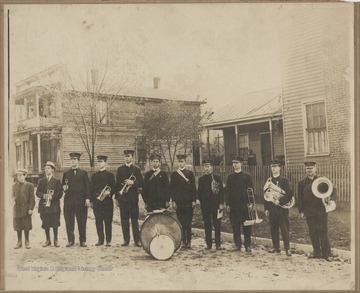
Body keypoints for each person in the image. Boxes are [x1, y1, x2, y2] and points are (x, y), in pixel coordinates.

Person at [298, 161, 336, 261]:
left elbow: (333, 189)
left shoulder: (322, 180)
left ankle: (326, 254)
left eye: (311, 168)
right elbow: (300, 198)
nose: (309, 170)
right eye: (307, 168)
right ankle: (317, 252)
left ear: (315, 168)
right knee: (313, 232)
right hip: (309, 210)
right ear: (305, 170)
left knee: (323, 231)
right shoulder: (301, 183)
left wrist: (330, 198)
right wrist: (301, 210)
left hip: (321, 210)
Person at [264, 159, 293, 256]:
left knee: (284, 228)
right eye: (272, 167)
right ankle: (276, 247)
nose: (273, 169)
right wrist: (266, 208)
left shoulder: (284, 180)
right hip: (272, 208)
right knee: (273, 228)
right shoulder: (269, 180)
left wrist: (279, 201)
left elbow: (289, 194)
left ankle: (287, 248)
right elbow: (266, 194)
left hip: (282, 208)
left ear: (279, 168)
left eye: (275, 167)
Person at [62, 152, 91, 247]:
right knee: (69, 221)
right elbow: (64, 186)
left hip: (81, 201)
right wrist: (64, 188)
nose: (72, 161)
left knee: (82, 221)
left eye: (74, 159)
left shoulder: (84, 173)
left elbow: (87, 187)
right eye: (71, 159)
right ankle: (71, 240)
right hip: (69, 201)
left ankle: (82, 240)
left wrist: (87, 199)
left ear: (78, 161)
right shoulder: (66, 174)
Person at [115, 149, 143, 247]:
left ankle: (137, 240)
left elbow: (141, 183)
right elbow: (117, 184)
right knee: (124, 220)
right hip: (123, 199)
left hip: (133, 199)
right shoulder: (120, 169)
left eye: (129, 156)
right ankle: (126, 240)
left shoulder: (136, 170)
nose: (127, 158)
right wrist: (117, 198)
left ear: (132, 157)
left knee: (134, 220)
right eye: (126, 156)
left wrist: (132, 183)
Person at [225, 156, 253, 252]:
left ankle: (247, 245)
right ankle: (237, 244)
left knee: (247, 226)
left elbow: (251, 191)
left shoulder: (247, 176)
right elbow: (227, 191)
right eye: (234, 163)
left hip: (245, 206)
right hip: (234, 206)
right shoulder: (230, 177)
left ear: (241, 164)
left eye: (237, 163)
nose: (235, 165)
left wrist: (251, 204)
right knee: (235, 226)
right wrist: (227, 204)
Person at [170, 154, 197, 249]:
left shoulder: (190, 174)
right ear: (178, 162)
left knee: (188, 223)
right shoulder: (174, 175)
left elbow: (193, 188)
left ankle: (188, 241)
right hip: (179, 203)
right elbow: (172, 189)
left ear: (185, 162)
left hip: (188, 203)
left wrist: (194, 200)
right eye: (179, 161)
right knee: (181, 223)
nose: (181, 163)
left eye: (182, 161)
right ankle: (183, 241)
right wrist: (173, 201)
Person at [198, 159, 224, 250]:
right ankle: (208, 244)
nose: (207, 168)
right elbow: (200, 193)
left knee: (217, 225)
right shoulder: (201, 179)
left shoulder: (217, 178)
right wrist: (201, 204)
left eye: (208, 166)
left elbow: (221, 192)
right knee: (207, 225)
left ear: (212, 167)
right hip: (206, 206)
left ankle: (218, 244)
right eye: (205, 166)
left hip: (216, 205)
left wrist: (221, 203)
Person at [90, 155, 115, 247]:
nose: (100, 163)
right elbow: (91, 189)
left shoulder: (110, 175)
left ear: (105, 163)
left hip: (107, 202)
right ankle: (100, 239)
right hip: (97, 202)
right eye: (98, 162)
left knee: (108, 221)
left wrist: (109, 192)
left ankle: (108, 240)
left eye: (102, 162)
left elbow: (113, 188)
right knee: (98, 221)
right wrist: (93, 200)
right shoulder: (94, 176)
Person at [36, 161, 63, 247]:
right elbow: (37, 192)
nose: (47, 170)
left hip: (54, 206)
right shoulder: (41, 181)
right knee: (45, 222)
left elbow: (60, 193)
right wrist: (44, 195)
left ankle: (56, 240)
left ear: (52, 170)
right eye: (45, 168)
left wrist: (52, 197)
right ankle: (48, 240)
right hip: (44, 206)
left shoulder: (57, 181)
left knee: (55, 222)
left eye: (48, 168)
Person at [12, 168, 35, 249]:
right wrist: (12, 200)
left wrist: (30, 208)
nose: (20, 177)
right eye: (18, 175)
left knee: (26, 225)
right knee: (18, 225)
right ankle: (19, 241)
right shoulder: (14, 186)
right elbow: (12, 196)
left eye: (22, 175)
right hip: (17, 209)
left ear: (25, 176)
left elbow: (32, 199)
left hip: (26, 209)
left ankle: (27, 241)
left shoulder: (30, 185)